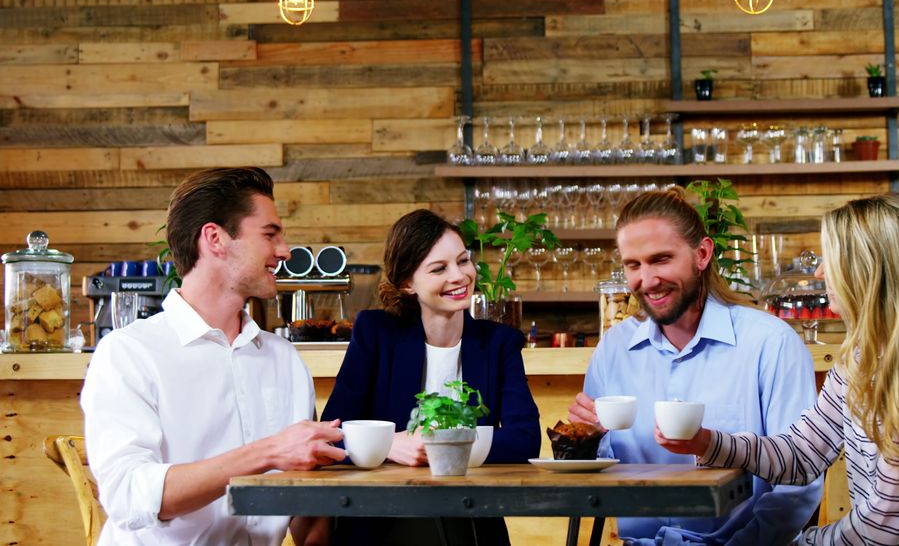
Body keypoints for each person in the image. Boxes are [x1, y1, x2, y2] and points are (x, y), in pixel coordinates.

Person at [675, 193, 899, 544]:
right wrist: (708, 442)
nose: (820, 272)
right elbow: (802, 454)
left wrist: (803, 544)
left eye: (832, 260)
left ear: (870, 269)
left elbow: (886, 522)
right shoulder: (862, 359)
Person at [81, 167, 346, 545]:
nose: (284, 251)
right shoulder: (129, 353)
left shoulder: (284, 359)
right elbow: (128, 496)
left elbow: (305, 503)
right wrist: (268, 453)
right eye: (270, 234)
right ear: (215, 238)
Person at [569, 189, 822, 545]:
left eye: (661, 259)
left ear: (702, 254)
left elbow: (798, 485)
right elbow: (596, 479)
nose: (647, 280)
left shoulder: (771, 343)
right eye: (633, 265)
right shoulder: (614, 349)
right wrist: (583, 441)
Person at [319, 208, 541, 545]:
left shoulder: (499, 343)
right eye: (439, 269)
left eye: (463, 261)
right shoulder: (376, 333)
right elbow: (331, 435)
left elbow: (525, 440)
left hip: (470, 523)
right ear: (407, 283)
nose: (459, 276)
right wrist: (389, 445)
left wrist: (442, 446)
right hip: (383, 521)